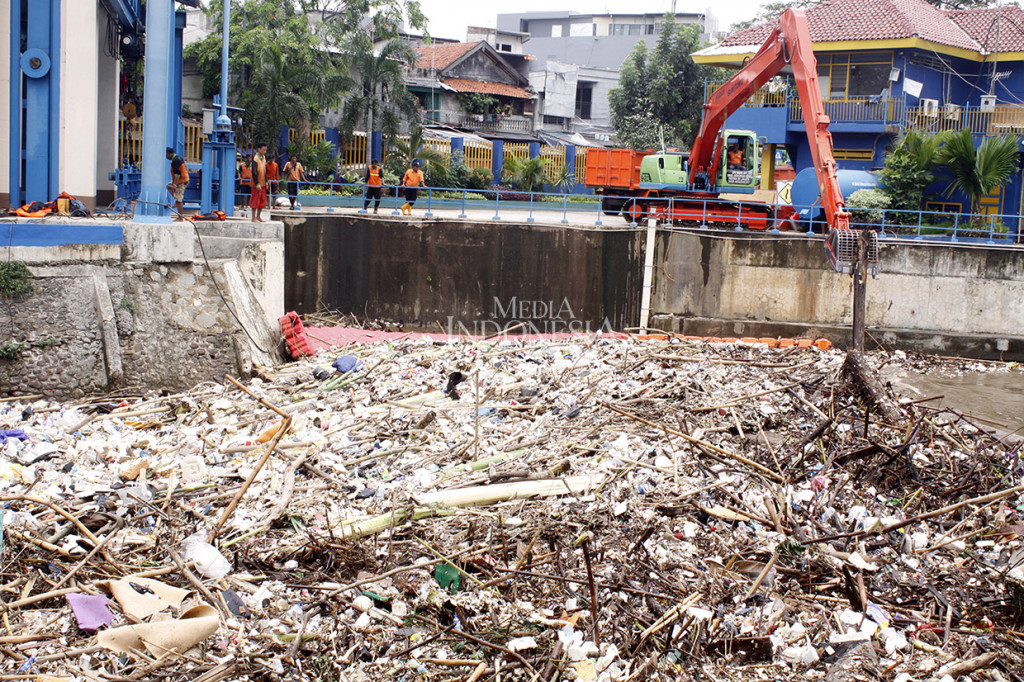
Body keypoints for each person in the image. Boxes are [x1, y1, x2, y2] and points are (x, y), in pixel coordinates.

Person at [165, 146, 189, 221]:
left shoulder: (175, 161)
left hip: (181, 181)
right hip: (182, 179)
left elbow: (177, 173)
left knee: (179, 200)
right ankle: (176, 201)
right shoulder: (177, 158)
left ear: (169, 154)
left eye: (166, 155)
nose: (165, 157)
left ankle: (180, 217)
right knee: (168, 186)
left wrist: (175, 184)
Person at [250, 142, 269, 223]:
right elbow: (254, 172)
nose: (265, 151)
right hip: (256, 183)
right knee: (255, 200)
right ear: (259, 149)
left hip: (263, 183)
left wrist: (266, 181)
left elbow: (264, 171)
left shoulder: (263, 157)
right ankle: (253, 217)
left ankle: (258, 216)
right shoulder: (255, 159)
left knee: (262, 200)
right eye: (263, 150)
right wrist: (257, 183)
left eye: (265, 150)